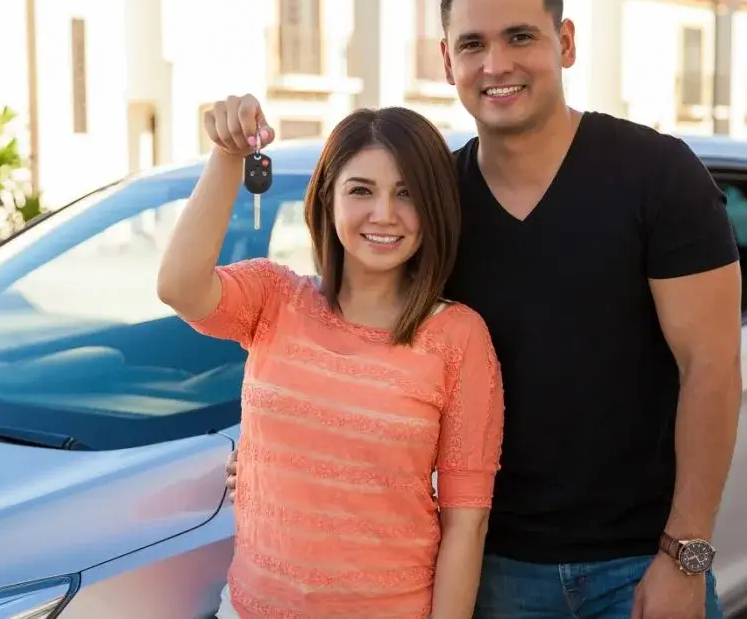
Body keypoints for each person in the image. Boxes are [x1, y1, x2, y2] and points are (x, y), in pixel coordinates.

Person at [227, 0, 743, 619]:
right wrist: (277, 458)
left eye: (520, 37)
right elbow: (363, 353)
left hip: (639, 561)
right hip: (489, 571)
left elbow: (712, 367)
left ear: (564, 42)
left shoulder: (658, 176)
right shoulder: (429, 207)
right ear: (447, 62)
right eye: (473, 44)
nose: (496, 64)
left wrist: (686, 554)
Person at [157, 97, 505, 619]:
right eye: (361, 190)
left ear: (435, 208)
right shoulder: (275, 298)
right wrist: (228, 155)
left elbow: (466, 524)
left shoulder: (459, 337)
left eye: (407, 194)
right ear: (328, 198)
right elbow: (179, 286)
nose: (384, 215)